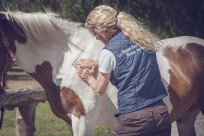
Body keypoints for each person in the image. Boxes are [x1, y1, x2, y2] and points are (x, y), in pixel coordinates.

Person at [73, 5, 171, 136]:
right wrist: (96, 62)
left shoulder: (108, 52)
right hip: (161, 113)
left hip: (134, 118)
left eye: (95, 33)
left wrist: (89, 77)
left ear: (104, 30)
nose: (96, 37)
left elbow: (99, 89)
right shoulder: (141, 38)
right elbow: (126, 54)